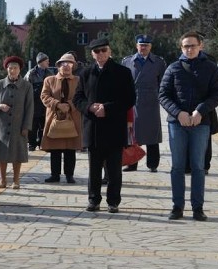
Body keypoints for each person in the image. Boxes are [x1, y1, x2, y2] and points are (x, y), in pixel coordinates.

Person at [159, 31, 218, 221]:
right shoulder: (173, 68)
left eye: (193, 45)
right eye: (186, 46)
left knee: (198, 166)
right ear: (181, 48)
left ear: (200, 46)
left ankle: (197, 208)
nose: (189, 49)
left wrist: (200, 111)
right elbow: (163, 95)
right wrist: (179, 113)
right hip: (177, 124)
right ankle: (177, 207)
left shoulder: (210, 68)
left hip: (201, 123)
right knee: (177, 166)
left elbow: (216, 95)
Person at [73, 37, 136, 213]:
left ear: (109, 51)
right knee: (94, 168)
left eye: (104, 50)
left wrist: (106, 108)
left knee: (114, 169)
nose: (100, 54)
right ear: (92, 54)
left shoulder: (122, 72)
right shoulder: (85, 73)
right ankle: (93, 200)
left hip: (114, 126)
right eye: (97, 51)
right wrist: (89, 107)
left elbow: (130, 99)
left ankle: (113, 201)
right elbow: (77, 98)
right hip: (93, 127)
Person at [121, 34, 167, 172]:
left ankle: (153, 164)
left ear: (150, 47)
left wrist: (158, 96)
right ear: (137, 46)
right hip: (132, 101)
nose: (144, 47)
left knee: (152, 134)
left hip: (151, 102)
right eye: (141, 45)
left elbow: (163, 83)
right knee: (132, 134)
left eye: (146, 45)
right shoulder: (127, 61)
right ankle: (132, 163)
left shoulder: (159, 62)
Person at [0, 56, 33, 189]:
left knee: (17, 153)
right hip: (1, 125)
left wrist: (26, 126)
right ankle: (2, 179)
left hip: (18, 125)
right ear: (6, 69)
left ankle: (16, 180)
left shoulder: (26, 86)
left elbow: (30, 107)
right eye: (10, 68)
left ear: (20, 70)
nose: (12, 71)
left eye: (15, 68)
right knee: (2, 154)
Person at [40, 53, 83, 183]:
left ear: (73, 66)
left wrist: (69, 105)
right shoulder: (49, 80)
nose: (66, 66)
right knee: (55, 148)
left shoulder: (78, 80)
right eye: (63, 64)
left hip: (73, 117)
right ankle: (55, 174)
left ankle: (70, 175)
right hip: (54, 117)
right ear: (58, 66)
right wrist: (57, 104)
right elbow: (44, 96)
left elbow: (81, 96)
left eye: (69, 64)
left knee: (70, 149)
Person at [25, 52, 53, 150]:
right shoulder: (31, 73)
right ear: (40, 62)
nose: (48, 62)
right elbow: (26, 88)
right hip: (33, 103)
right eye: (46, 61)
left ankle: (42, 143)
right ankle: (32, 143)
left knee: (44, 124)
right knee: (33, 125)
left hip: (45, 104)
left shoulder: (49, 73)